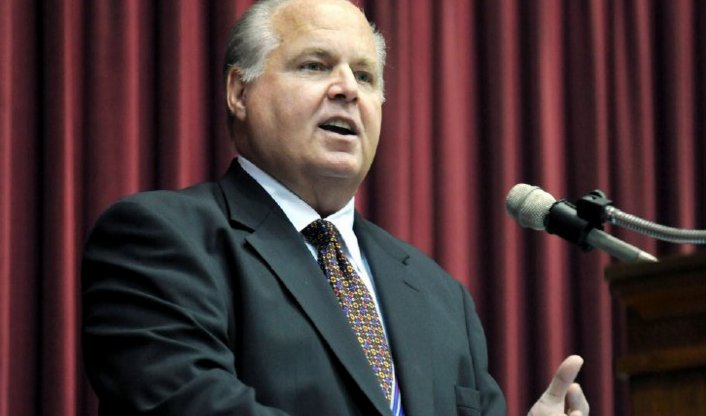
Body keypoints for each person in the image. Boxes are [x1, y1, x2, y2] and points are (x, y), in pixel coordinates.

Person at [81, 0, 590, 415]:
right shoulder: (159, 239)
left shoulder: (441, 295)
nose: (348, 89)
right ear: (240, 91)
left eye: (365, 77)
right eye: (315, 65)